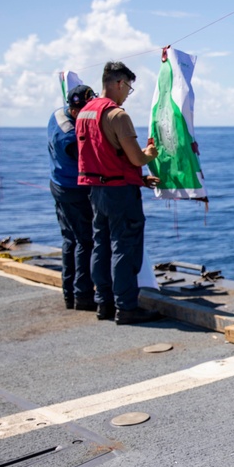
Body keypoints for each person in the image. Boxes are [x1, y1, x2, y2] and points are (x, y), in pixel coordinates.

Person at [76, 61, 161, 325]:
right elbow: (135, 158)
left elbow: (103, 155)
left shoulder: (84, 113)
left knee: (100, 245)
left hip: (96, 190)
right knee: (124, 246)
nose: (127, 94)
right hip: (119, 193)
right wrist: (149, 154)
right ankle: (126, 307)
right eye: (129, 88)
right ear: (119, 83)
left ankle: (104, 303)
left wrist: (138, 178)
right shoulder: (117, 116)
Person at [48, 84, 97, 310]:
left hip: (57, 183)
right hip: (73, 190)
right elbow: (88, 159)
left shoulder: (57, 114)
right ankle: (83, 296)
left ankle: (69, 294)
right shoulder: (69, 137)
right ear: (75, 110)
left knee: (69, 239)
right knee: (85, 241)